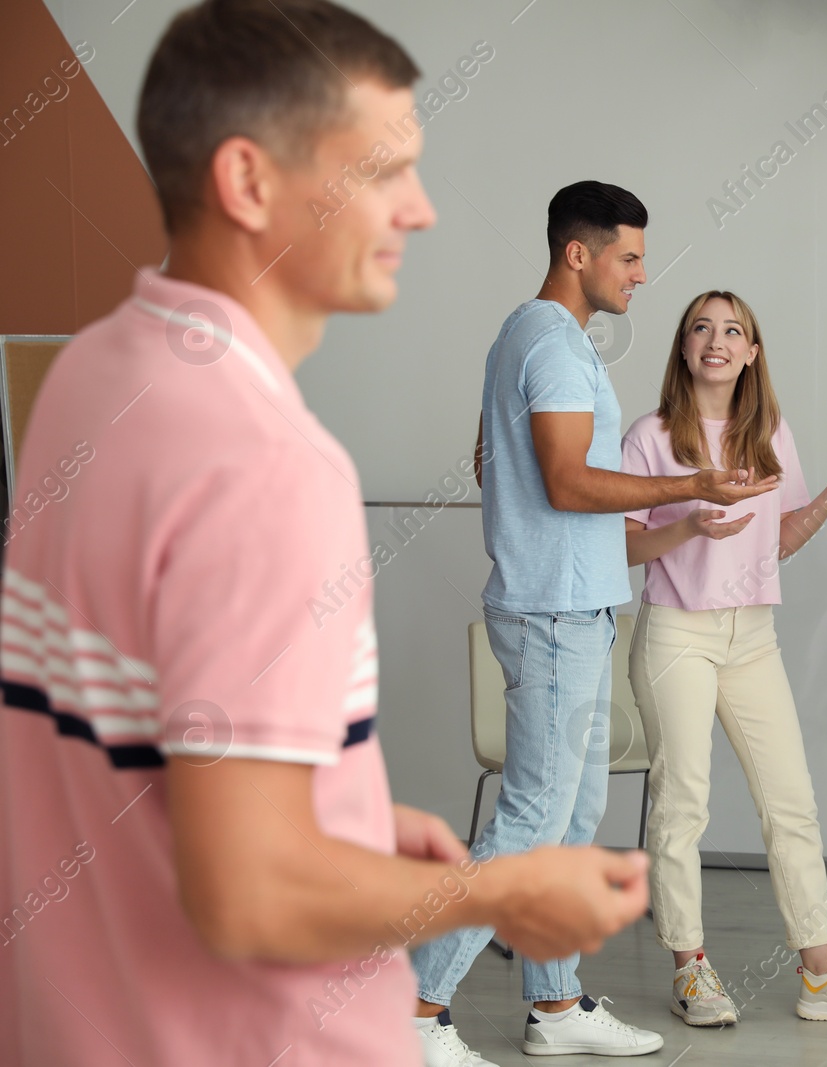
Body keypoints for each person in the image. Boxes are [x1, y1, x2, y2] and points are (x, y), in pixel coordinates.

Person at [0, 4, 651, 1066]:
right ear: (251, 181)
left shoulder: (92, 375)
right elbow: (251, 896)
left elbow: (137, 760)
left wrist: (342, 826)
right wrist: (501, 888)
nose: (422, 210)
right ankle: (447, 1009)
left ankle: (549, 1006)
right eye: (381, 170)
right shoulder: (270, 467)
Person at [413, 188, 777, 1064]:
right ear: (578, 254)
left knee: (573, 813)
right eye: (629, 258)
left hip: (571, 604)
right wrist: (691, 483)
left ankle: (556, 1002)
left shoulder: (535, 337)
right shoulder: (549, 342)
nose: (642, 275)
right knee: (534, 813)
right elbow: (568, 483)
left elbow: (493, 457)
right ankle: (414, 1011)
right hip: (550, 611)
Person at [618, 290, 827, 1028]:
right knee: (683, 799)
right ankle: (690, 967)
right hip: (677, 631)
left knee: (792, 803)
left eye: (732, 330)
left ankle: (822, 975)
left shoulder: (769, 432)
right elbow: (621, 545)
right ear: (684, 347)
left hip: (753, 636)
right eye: (700, 328)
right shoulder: (651, 435)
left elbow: (779, 540)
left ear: (752, 352)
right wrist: (687, 526)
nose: (716, 340)